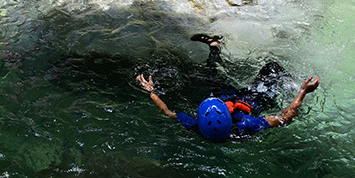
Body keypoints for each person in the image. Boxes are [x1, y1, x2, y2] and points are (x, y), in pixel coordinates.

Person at [136, 34, 320, 142]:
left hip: (228, 96)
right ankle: (289, 80)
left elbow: (166, 111)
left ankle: (214, 46)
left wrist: (151, 91)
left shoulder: (196, 127)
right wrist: (302, 91)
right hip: (251, 101)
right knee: (272, 68)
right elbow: (285, 117)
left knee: (210, 73)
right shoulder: (247, 126)